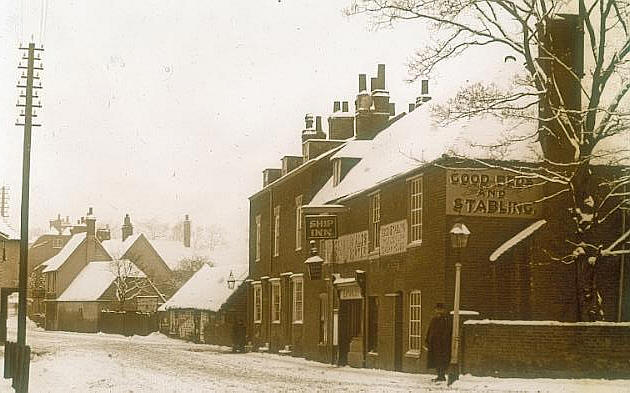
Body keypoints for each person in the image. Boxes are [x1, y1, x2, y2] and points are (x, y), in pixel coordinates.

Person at [425, 302, 452, 382]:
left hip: (442, 345)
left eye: (440, 310)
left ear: (443, 310)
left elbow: (447, 331)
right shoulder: (434, 319)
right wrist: (427, 340)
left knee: (441, 360)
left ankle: (441, 375)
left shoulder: (445, 319)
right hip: (434, 344)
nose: (438, 311)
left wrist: (443, 340)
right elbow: (430, 330)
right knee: (435, 359)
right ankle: (439, 375)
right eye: (437, 310)